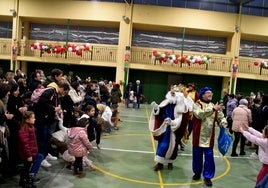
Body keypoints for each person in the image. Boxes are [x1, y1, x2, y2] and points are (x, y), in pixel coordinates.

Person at [149, 85, 194, 171]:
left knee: (173, 147)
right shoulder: (166, 101)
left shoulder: (182, 106)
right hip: (165, 128)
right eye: (171, 92)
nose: (172, 94)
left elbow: (182, 120)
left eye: (174, 93)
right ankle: (160, 163)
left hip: (174, 130)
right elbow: (160, 113)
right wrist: (156, 108)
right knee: (163, 145)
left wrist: (173, 122)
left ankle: (170, 162)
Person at [191, 86, 227, 187]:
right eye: (208, 93)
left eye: (211, 93)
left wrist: (223, 123)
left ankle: (207, 177)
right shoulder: (197, 104)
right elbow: (200, 115)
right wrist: (213, 109)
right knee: (197, 156)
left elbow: (221, 117)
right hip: (198, 137)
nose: (210, 94)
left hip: (209, 138)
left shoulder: (213, 105)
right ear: (202, 94)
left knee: (209, 158)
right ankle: (197, 173)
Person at [18, 111, 44, 188]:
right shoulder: (24, 129)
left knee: (38, 158)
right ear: (27, 120)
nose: (34, 119)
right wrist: (29, 155)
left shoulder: (30, 127)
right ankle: (28, 179)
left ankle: (26, 179)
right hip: (26, 153)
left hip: (31, 152)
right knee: (27, 167)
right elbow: (25, 144)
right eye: (33, 118)